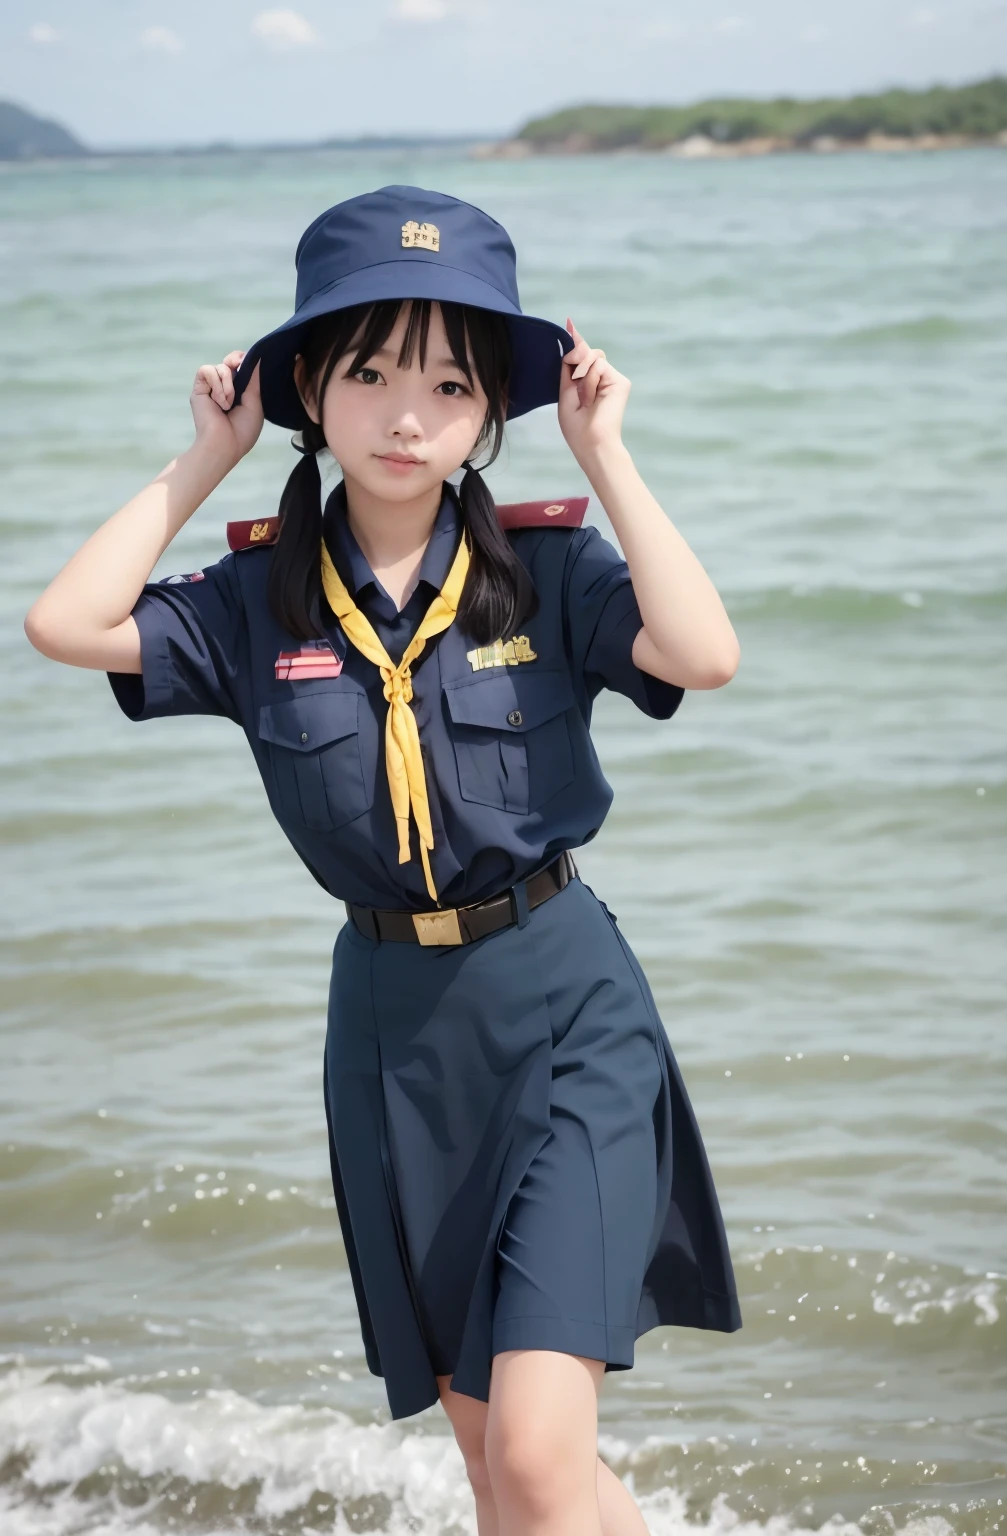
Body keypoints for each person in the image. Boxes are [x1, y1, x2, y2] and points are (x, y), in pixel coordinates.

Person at [25, 184, 743, 1536]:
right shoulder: (251, 601)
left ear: (488, 414)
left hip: (564, 1013)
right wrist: (205, 463)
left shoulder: (549, 572)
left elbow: (704, 654)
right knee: (504, 1468)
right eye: (368, 372)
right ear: (309, 384)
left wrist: (609, 461)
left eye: (449, 383)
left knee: (534, 1455)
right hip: (395, 1040)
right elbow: (66, 622)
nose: (407, 414)